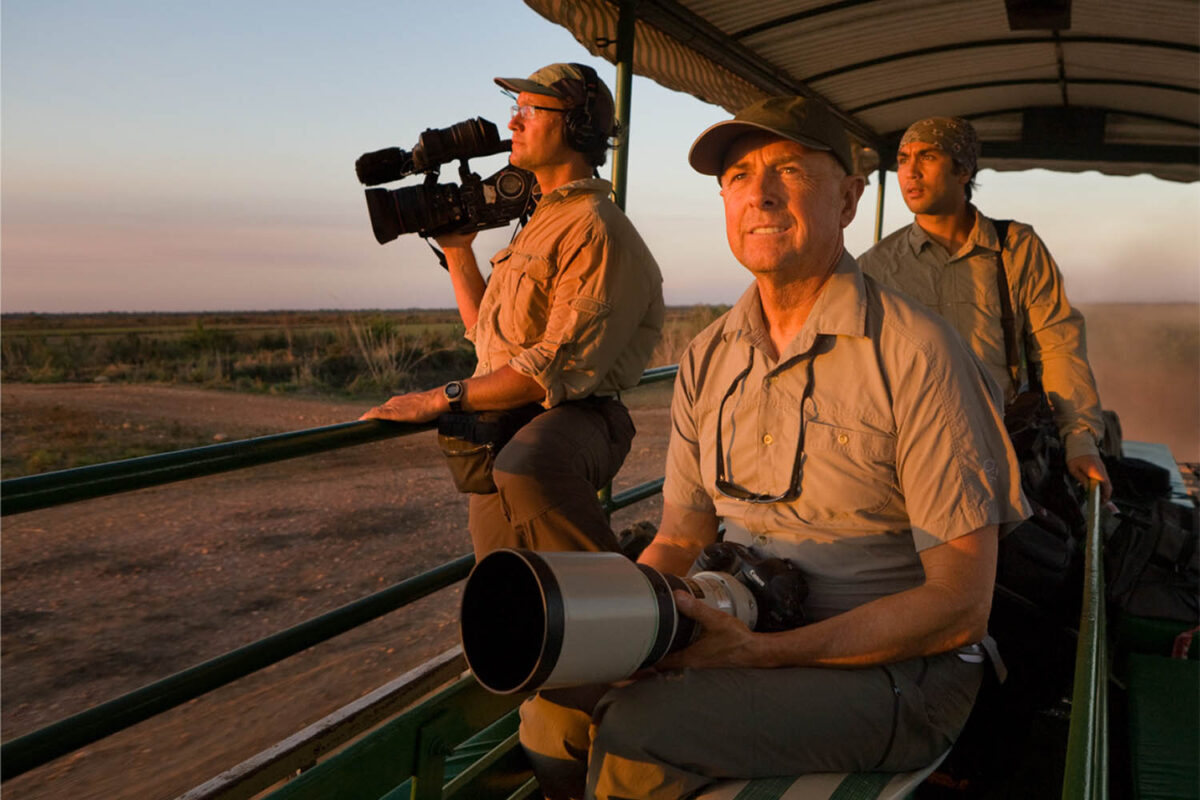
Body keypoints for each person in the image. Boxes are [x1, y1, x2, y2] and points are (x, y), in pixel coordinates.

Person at [516, 97, 1029, 800]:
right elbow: (679, 536)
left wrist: (764, 654)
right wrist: (630, 622)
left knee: (639, 735)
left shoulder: (917, 354)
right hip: (745, 623)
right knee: (552, 716)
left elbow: (960, 605)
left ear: (848, 199)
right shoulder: (709, 355)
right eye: (738, 175)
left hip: (897, 672)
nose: (758, 193)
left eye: (788, 168)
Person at [361, 63, 664, 558]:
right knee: (501, 583)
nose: (513, 124)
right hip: (506, 427)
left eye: (529, 111)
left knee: (529, 471)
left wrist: (438, 397)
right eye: (514, 110)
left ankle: (629, 602)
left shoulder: (595, 228)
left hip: (575, 418)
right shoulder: (541, 222)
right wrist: (459, 251)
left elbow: (548, 368)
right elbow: (488, 336)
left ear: (576, 125)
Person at [857, 117, 1112, 501]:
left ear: (963, 169)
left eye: (927, 156)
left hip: (999, 449)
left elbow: (1059, 346)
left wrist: (1080, 441)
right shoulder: (875, 266)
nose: (910, 171)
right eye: (903, 158)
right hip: (906, 457)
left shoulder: (1016, 247)